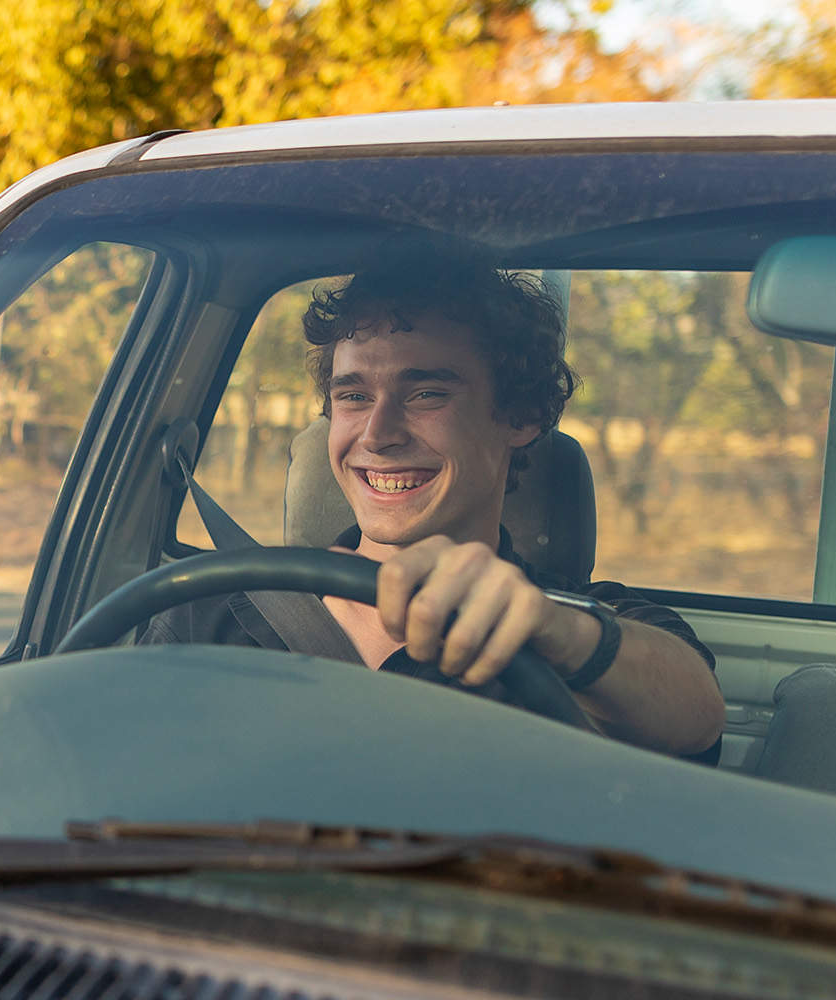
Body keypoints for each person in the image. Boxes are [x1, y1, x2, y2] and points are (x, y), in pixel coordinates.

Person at [147, 256, 725, 759]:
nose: (378, 434)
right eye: (353, 396)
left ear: (522, 416)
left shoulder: (585, 623)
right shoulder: (212, 611)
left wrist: (558, 632)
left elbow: (695, 719)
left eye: (426, 393)